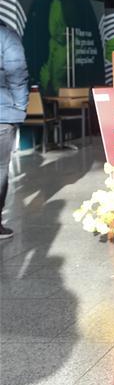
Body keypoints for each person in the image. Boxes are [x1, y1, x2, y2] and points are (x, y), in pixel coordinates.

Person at [0, 25, 28, 239]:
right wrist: (19, 107)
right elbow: (17, 74)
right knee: (0, 169)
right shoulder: (6, 35)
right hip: (2, 115)